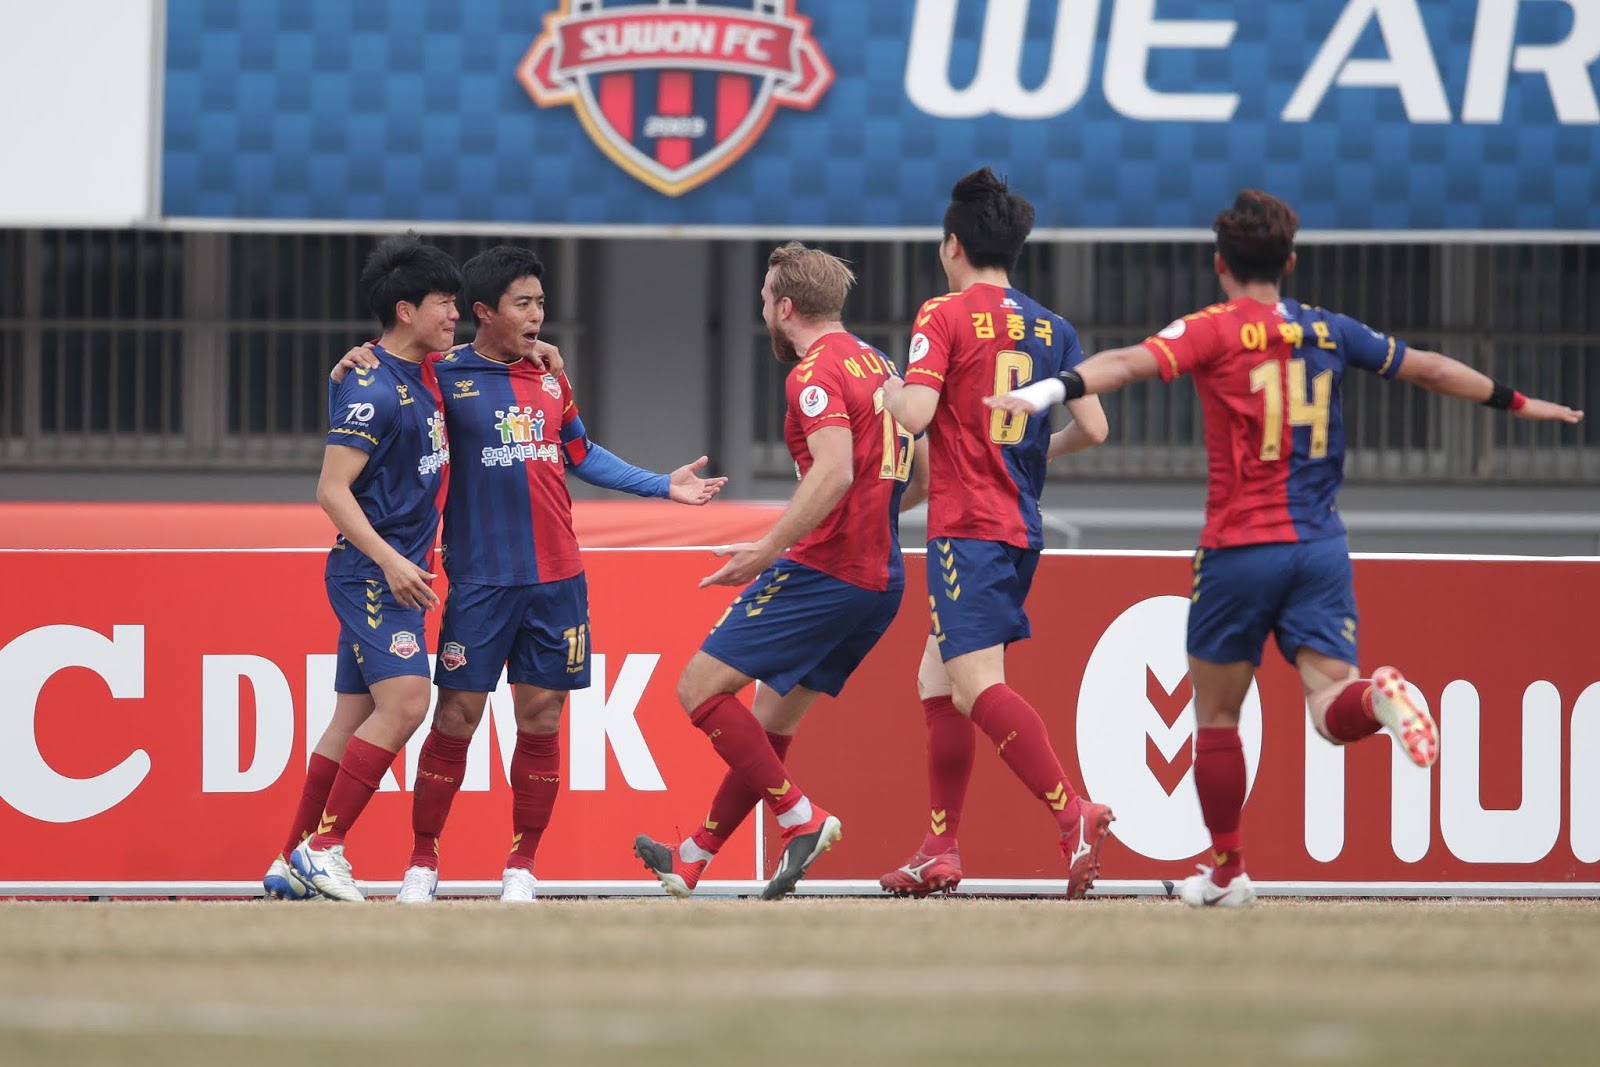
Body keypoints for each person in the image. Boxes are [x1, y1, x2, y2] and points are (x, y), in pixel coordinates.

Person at [987, 189, 1585, 907]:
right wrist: (1520, 403)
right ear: (1290, 262)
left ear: (1220, 266)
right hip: (1320, 545)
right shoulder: (1329, 330)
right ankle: (1378, 696)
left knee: (1214, 718)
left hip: (1240, 548)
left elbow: (1128, 364)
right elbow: (1427, 366)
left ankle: (1229, 868)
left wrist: (1049, 388)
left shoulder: (1212, 329)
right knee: (1332, 704)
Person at [329, 245, 726, 904]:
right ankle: (422, 864)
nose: (539, 315)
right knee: (455, 717)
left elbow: (582, 452)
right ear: (483, 312)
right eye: (524, 302)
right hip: (481, 581)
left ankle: (522, 867)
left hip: (558, 581)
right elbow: (382, 374)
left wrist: (664, 486)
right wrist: (348, 361)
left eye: (541, 302)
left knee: (541, 718)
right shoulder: (440, 374)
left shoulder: (549, 377)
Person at [632, 241, 929, 900]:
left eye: (764, 298)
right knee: (767, 727)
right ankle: (693, 856)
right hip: (883, 577)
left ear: (784, 306)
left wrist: (765, 550)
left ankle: (802, 816)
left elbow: (835, 469)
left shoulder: (813, 373)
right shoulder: (880, 364)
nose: (762, 307)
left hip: (828, 570)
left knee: (697, 689)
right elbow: (919, 473)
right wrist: (868, 509)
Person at [877, 168, 1114, 900]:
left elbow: (912, 414)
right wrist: (1028, 450)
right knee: (935, 680)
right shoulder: (1054, 326)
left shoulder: (941, 314)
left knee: (976, 686)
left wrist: (876, 381)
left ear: (952, 245)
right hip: (1018, 525)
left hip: (966, 527)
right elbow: (1096, 428)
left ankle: (1071, 811)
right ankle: (939, 848)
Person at [261, 233, 460, 903]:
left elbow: (477, 361)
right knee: (407, 703)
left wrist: (536, 352)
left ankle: (289, 859)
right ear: (406, 310)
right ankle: (325, 847)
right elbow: (330, 489)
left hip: (393, 570)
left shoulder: (419, 369)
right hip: (375, 574)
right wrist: (392, 560)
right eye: (443, 303)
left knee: (351, 718)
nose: (453, 314)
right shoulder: (372, 388)